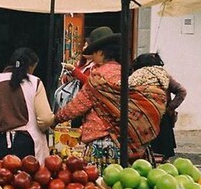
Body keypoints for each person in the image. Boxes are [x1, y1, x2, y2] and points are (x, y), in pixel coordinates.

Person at [55, 27, 166, 170]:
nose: (92, 56)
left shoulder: (97, 78)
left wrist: (56, 119)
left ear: (101, 52)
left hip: (104, 145)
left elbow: (77, 106)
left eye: (94, 52)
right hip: (128, 144)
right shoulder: (124, 72)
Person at [0, 48, 55, 165]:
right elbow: (45, 118)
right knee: (27, 181)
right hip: (27, 145)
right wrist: (39, 129)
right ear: (30, 66)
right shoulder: (35, 82)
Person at [130, 53, 186, 160]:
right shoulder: (164, 76)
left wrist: (169, 108)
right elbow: (182, 91)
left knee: (144, 155)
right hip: (162, 119)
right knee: (162, 155)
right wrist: (168, 108)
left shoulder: (136, 77)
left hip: (142, 120)